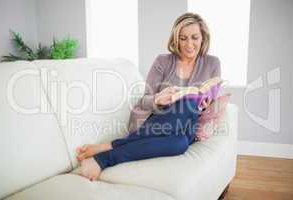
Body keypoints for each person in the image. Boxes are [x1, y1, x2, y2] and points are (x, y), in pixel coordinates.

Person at [76, 12, 221, 181]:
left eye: (195, 37)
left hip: (186, 127)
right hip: (157, 120)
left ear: (203, 37)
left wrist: (206, 103)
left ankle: (108, 148)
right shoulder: (162, 61)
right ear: (176, 39)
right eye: (183, 38)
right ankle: (103, 159)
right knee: (181, 127)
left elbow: (211, 97)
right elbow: (144, 100)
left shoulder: (213, 63)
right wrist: (158, 99)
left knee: (181, 137)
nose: (189, 44)